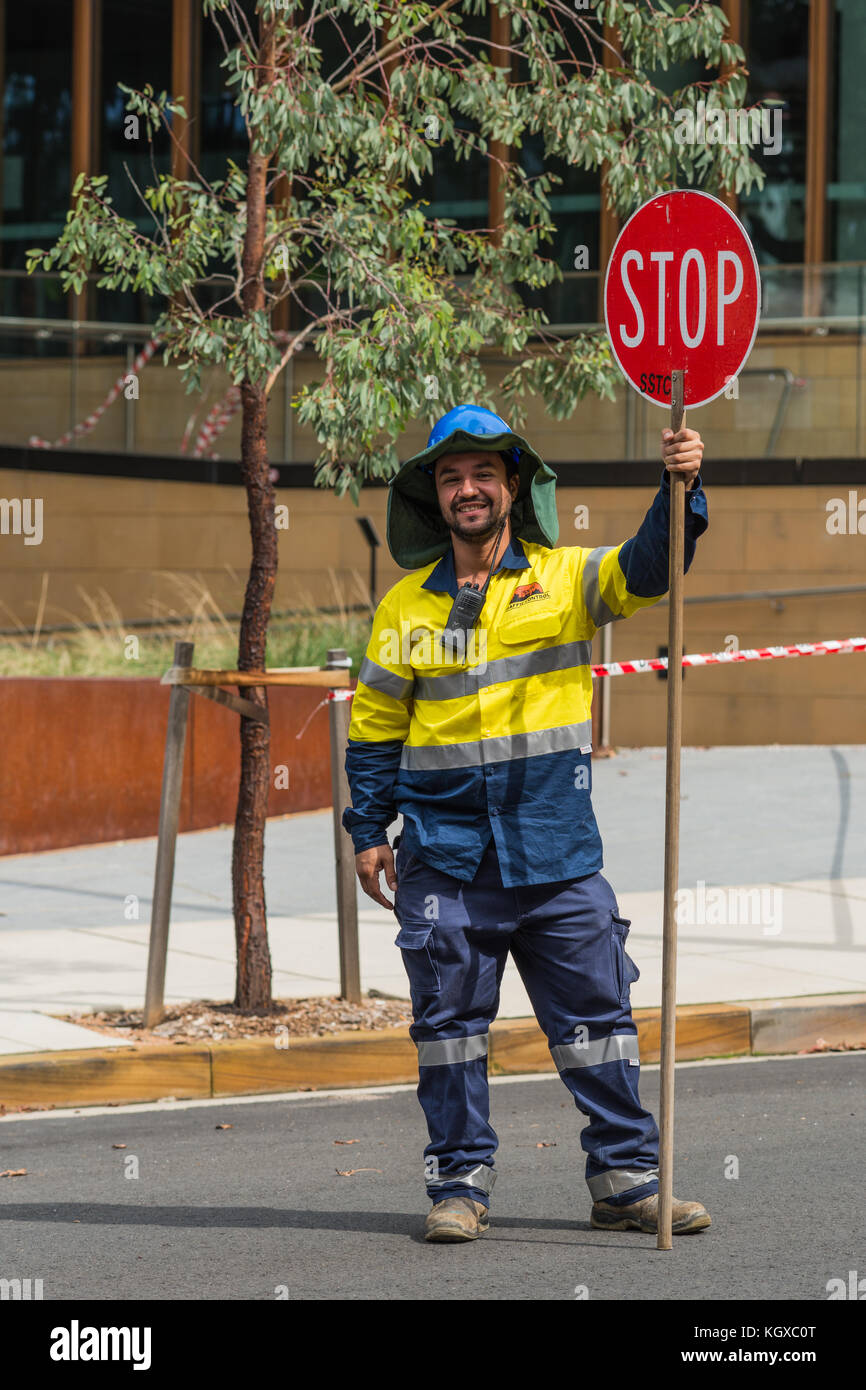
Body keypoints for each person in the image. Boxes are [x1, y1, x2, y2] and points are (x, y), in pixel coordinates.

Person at [343, 403, 712, 1243]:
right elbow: (373, 729)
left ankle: (625, 1183)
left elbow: (652, 567)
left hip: (556, 856)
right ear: (434, 497)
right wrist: (368, 830)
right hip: (444, 860)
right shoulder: (405, 609)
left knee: (598, 1029)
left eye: (482, 474)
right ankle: (459, 1188)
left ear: (513, 485)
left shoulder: (570, 577)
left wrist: (679, 483)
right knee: (449, 1037)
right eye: (450, 477)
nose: (467, 489)